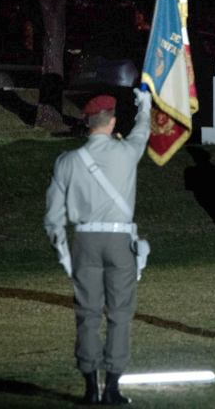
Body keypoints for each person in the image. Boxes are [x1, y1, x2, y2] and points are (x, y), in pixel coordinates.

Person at [44, 89, 151, 405]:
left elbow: (53, 218)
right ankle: (113, 387)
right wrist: (144, 106)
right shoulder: (127, 152)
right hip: (119, 241)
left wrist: (63, 252)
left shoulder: (67, 161)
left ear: (86, 123)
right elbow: (143, 131)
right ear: (113, 121)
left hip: (85, 241)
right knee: (120, 314)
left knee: (87, 315)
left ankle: (91, 387)